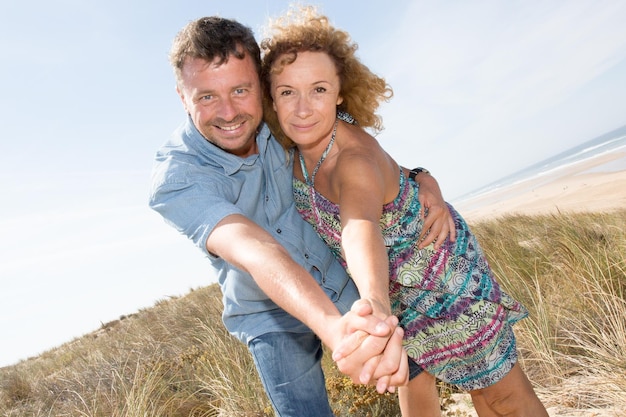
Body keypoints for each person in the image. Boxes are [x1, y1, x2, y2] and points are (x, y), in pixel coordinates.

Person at [149, 15, 455, 416]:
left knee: (410, 368)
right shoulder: (177, 179)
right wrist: (335, 331)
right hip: (266, 314)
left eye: (240, 90)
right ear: (181, 96)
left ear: (262, 86)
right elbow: (257, 249)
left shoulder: (283, 118)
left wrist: (418, 178)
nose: (228, 112)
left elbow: (354, 153)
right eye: (207, 96)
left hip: (339, 274)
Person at [260, 6, 549, 417]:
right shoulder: (293, 151)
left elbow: (359, 228)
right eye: (288, 91)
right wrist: (422, 175)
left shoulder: (353, 158)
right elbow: (397, 174)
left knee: (500, 399)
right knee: (413, 395)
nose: (303, 108)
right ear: (272, 96)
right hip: (398, 293)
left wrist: (375, 304)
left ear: (340, 91)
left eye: (319, 90)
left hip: (441, 277)